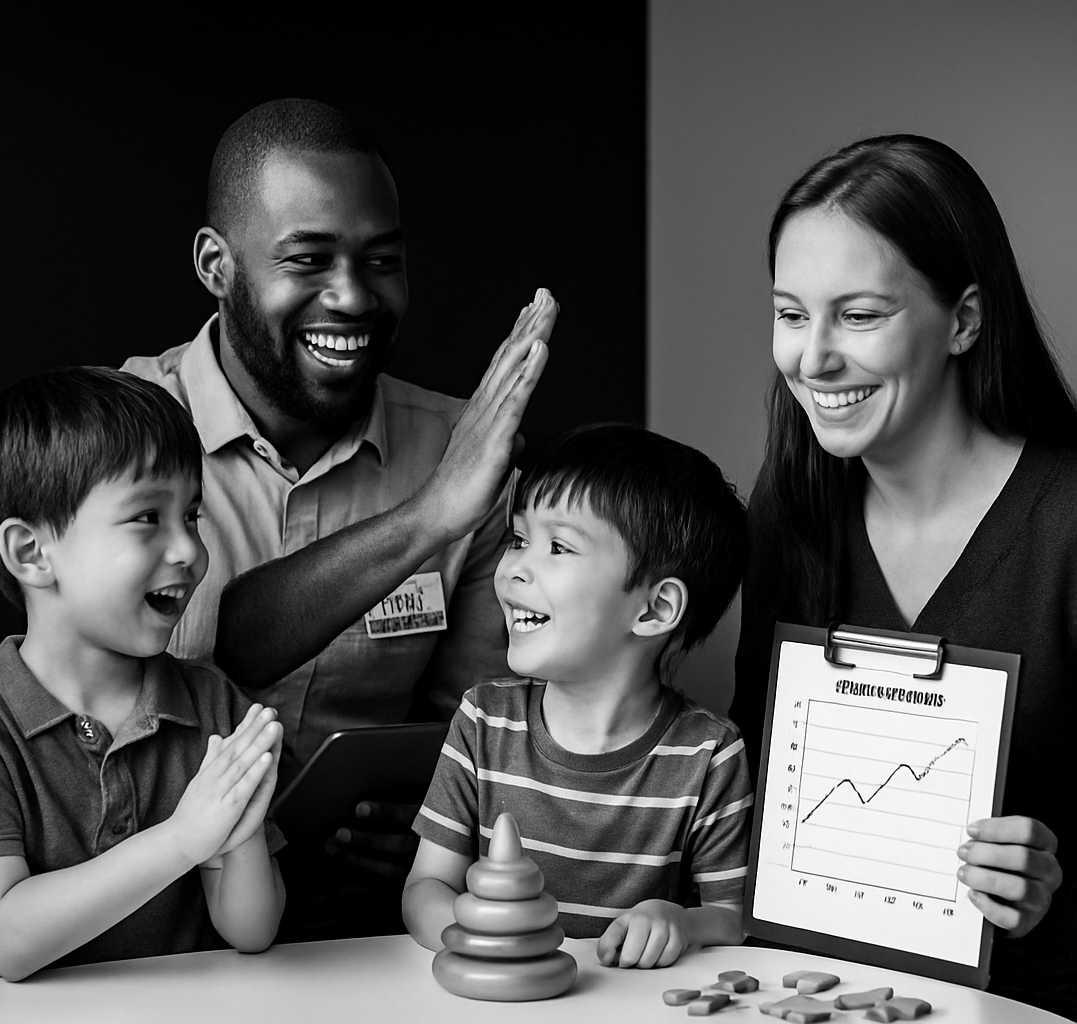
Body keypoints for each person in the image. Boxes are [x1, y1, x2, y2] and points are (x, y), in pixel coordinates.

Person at [121, 98, 557, 891]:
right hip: (151, 900)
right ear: (217, 266)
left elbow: (483, 724)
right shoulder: (113, 439)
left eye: (382, 260)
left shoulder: (468, 450)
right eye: (308, 260)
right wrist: (429, 515)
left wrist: (439, 824)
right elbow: (219, 646)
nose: (353, 297)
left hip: (374, 917)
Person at [731, 135, 1072, 1017]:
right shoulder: (792, 509)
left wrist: (1056, 875)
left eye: (859, 315)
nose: (812, 360)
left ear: (963, 320)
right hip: (820, 997)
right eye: (791, 314)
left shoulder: (1068, 520)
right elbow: (750, 765)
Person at [0, 368, 286, 985]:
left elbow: (251, 929)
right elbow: (8, 940)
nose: (188, 549)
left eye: (191, 516)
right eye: (146, 517)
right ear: (31, 554)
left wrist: (235, 834)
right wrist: (184, 839)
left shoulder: (214, 705)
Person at [403, 424, 751, 968]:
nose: (514, 566)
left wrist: (678, 920)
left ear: (656, 610)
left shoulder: (709, 754)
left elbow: (733, 918)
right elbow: (425, 887)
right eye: (519, 540)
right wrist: (481, 935)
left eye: (558, 546)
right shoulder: (483, 722)